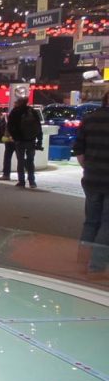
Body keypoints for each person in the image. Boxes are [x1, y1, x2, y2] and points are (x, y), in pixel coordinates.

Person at [73, 91, 109, 271]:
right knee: (107, 223)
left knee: (91, 221)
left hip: (92, 177)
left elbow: (79, 149)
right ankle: (97, 265)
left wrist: (88, 168)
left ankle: (82, 260)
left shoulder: (90, 118)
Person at [6, 97, 43, 188]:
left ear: (19, 102)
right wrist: (39, 140)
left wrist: (15, 137)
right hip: (31, 140)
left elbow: (10, 126)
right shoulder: (32, 111)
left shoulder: (15, 112)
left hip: (20, 141)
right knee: (30, 161)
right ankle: (32, 181)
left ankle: (21, 181)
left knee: (20, 161)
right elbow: (38, 127)